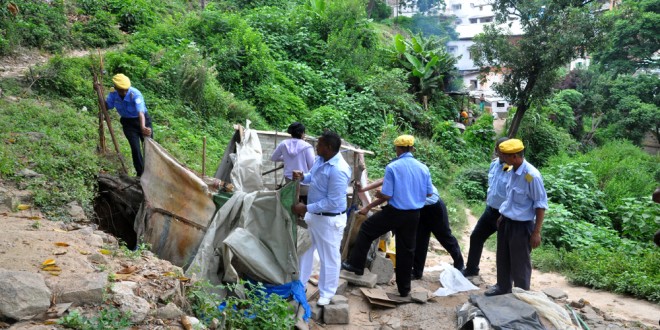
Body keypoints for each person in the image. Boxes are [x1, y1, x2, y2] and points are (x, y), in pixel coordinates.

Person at [342, 135, 433, 297]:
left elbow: (387, 195)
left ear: (398, 149)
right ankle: (404, 289)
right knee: (407, 250)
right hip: (414, 215)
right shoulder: (423, 168)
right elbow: (429, 192)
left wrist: (378, 194)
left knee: (367, 229)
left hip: (395, 212)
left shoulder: (393, 167)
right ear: (412, 149)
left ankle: (356, 265)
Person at [292, 130, 351, 306]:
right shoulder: (321, 160)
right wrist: (303, 177)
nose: (316, 147)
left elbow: (333, 202)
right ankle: (300, 285)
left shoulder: (339, 169)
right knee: (305, 251)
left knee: (329, 258)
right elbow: (313, 178)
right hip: (315, 217)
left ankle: (326, 293)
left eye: (319, 144)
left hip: (330, 220)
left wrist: (306, 207)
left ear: (329, 147)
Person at [358, 181, 465, 279]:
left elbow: (385, 197)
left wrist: (369, 206)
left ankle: (459, 264)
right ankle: (417, 272)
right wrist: (363, 189)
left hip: (433, 206)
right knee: (420, 239)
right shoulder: (395, 172)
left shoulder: (405, 178)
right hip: (419, 208)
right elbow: (382, 182)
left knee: (444, 236)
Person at [485, 139, 548, 296]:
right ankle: (503, 287)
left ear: (514, 156)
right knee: (503, 257)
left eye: (503, 156)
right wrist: (502, 215)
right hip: (506, 221)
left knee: (520, 262)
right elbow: (510, 195)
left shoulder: (531, 176)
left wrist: (536, 232)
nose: (501, 159)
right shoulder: (511, 169)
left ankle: (521, 294)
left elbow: (540, 205)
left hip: (522, 225)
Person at [463, 137, 511, 277]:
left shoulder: (513, 169)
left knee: (503, 249)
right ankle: (471, 269)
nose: (501, 154)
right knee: (476, 236)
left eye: (504, 151)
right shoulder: (494, 164)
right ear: (496, 150)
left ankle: (504, 283)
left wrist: (504, 213)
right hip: (490, 210)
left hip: (506, 215)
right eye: (499, 150)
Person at [105, 74, 153, 177]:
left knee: (149, 148)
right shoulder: (113, 94)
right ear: (116, 87)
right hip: (128, 124)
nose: (124, 92)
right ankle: (140, 174)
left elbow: (141, 113)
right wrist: (98, 92)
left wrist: (143, 127)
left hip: (142, 121)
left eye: (125, 89)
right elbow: (107, 106)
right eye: (121, 90)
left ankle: (152, 172)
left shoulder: (135, 94)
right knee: (135, 148)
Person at [270, 122, 315, 198]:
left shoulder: (284, 144)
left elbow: (273, 158)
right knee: (304, 205)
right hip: (304, 182)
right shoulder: (307, 146)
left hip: (289, 181)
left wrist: (286, 158)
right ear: (302, 133)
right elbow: (313, 166)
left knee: (292, 203)